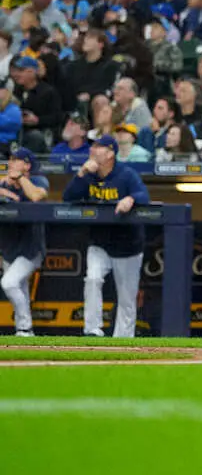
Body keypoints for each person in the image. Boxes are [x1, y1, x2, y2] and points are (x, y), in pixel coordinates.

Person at [63, 135, 150, 338]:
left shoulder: (126, 174)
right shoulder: (89, 176)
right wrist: (82, 173)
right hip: (100, 242)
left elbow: (144, 195)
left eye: (98, 147)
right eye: (92, 146)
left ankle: (123, 340)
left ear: (110, 153)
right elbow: (68, 197)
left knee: (127, 298)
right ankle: (92, 329)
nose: (92, 150)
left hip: (128, 245)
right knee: (92, 278)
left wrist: (130, 198)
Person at [0, 148, 49, 337]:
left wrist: (19, 179)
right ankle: (24, 331)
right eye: (10, 159)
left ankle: (25, 327)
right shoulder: (6, 181)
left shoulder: (38, 180)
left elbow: (36, 195)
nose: (11, 163)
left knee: (9, 283)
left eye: (16, 160)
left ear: (27, 165)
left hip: (31, 248)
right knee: (20, 288)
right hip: (9, 246)